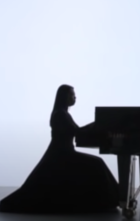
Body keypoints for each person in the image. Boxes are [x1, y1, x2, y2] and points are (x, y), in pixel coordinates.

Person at [0, 84, 120, 214]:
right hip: (62, 154)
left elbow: (76, 131)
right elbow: (77, 132)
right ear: (64, 97)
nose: (75, 97)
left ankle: (111, 199)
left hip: (64, 153)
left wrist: (94, 125)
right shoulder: (60, 114)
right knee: (97, 163)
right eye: (72, 95)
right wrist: (96, 125)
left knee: (96, 163)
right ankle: (113, 199)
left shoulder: (62, 113)